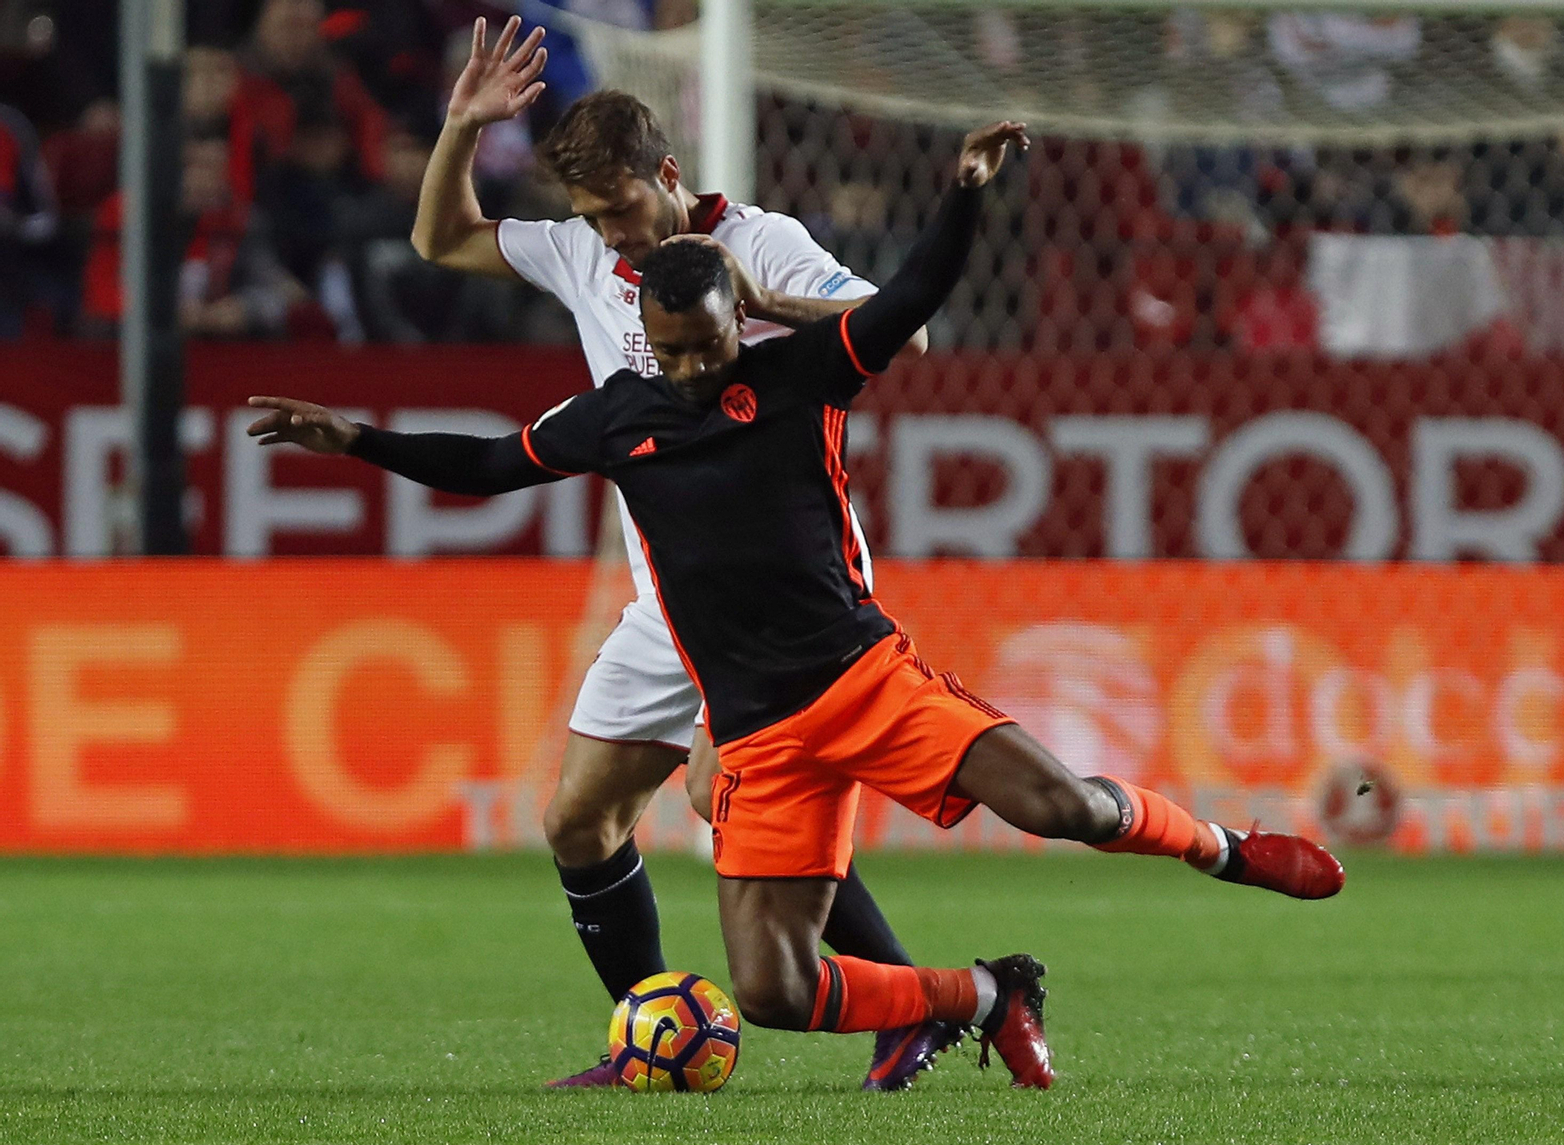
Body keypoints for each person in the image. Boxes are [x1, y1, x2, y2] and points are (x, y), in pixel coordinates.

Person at [245, 119, 1346, 1090]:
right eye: (671, 351)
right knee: (772, 988)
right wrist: (357, 439)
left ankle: (1222, 846)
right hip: (760, 727)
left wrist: (963, 193)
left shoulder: (806, 373)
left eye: (706, 345)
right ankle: (981, 992)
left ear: (741, 320)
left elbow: (909, 302)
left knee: (1064, 809)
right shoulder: (614, 414)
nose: (688, 369)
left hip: (862, 679)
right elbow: (488, 464)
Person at [407, 17, 941, 1090]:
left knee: (716, 793)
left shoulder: (761, 239)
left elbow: (906, 331)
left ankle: (913, 1005)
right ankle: (648, 1033)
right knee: (579, 819)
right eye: (590, 217)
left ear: (666, 174)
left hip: (777, 585)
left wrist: (764, 302)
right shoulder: (583, 253)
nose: (610, 235)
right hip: (668, 597)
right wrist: (462, 126)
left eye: (620, 207)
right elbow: (442, 240)